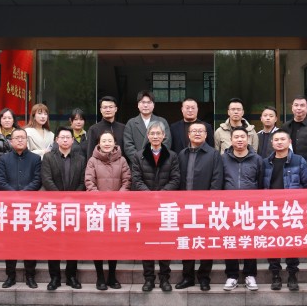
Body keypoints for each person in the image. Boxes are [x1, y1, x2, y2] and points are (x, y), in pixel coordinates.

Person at [131, 121, 180, 292]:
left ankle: (164, 278)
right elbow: (136, 179)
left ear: (164, 136)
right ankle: (149, 279)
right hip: (146, 206)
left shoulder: (172, 156)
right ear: (148, 136)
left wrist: (161, 195)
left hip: (166, 207)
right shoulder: (138, 156)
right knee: (147, 243)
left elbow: (175, 179)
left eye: (159, 133)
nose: (155, 136)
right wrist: (150, 195)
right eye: (152, 133)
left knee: (165, 243)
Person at [176, 122, 224, 291]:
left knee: (205, 242)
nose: (197, 133)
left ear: (206, 135)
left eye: (200, 131)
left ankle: (204, 277)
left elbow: (217, 180)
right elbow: (177, 179)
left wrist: (209, 203)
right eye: (194, 131)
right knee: (187, 242)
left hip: (205, 207)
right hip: (185, 207)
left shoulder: (214, 154)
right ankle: (187, 277)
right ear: (188, 134)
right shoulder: (182, 154)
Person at [262, 129, 307, 291]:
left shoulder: (299, 160)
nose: (279, 142)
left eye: (283, 139)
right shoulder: (265, 162)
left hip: (292, 209)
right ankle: (275, 275)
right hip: (271, 209)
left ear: (289, 142)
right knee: (272, 243)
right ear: (272, 143)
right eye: (276, 140)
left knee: (292, 243)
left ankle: (292, 275)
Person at [42, 126, 87, 290]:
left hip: (73, 207)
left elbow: (83, 182)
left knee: (72, 243)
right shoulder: (48, 157)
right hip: (53, 207)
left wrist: (72, 198)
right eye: (62, 137)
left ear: (73, 140)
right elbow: (46, 179)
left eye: (68, 137)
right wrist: (61, 198)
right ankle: (54, 278)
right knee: (53, 243)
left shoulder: (80, 159)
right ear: (57, 140)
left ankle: (71, 276)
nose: (66, 140)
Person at [85, 130, 131, 290]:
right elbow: (89, 182)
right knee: (97, 243)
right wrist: (100, 200)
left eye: (109, 141)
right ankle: (100, 277)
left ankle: (112, 276)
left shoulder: (122, 160)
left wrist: (118, 198)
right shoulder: (92, 160)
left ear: (114, 143)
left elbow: (127, 180)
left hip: (116, 209)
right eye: (104, 141)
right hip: (97, 209)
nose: (106, 143)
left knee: (114, 243)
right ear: (99, 143)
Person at [0, 127, 42, 289]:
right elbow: (1, 181)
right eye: (16, 138)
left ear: (26, 140)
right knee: (10, 243)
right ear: (11, 141)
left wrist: (23, 194)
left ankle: (30, 276)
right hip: (10, 207)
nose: (20, 140)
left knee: (30, 243)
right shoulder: (4, 159)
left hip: (29, 207)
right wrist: (14, 195)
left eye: (23, 137)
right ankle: (11, 276)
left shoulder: (36, 159)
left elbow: (38, 180)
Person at [222, 127, 264, 291]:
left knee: (250, 241)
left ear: (248, 139)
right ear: (231, 140)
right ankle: (232, 276)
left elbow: (260, 182)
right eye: (236, 137)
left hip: (250, 207)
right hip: (229, 207)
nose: (239, 140)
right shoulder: (223, 159)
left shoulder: (257, 159)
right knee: (230, 241)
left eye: (242, 137)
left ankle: (250, 275)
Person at [123, 90, 171, 162]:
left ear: (153, 105)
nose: (145, 105)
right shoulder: (131, 123)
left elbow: (166, 143)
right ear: (138, 105)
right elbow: (128, 146)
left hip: (158, 163)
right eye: (143, 102)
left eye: (149, 102)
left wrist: (154, 159)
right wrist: (140, 160)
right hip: (137, 164)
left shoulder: (162, 121)